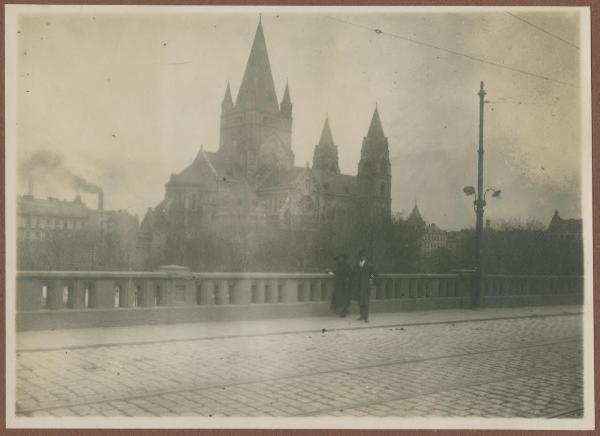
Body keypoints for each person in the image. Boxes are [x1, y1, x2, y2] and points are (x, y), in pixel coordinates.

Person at [353, 249, 377, 323]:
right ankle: (362, 315)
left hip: (365, 287)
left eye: (363, 256)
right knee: (359, 301)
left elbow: (375, 274)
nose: (362, 257)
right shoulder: (356, 265)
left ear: (365, 257)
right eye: (360, 256)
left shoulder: (369, 265)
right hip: (358, 287)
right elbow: (353, 274)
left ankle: (366, 317)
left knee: (365, 302)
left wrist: (370, 280)